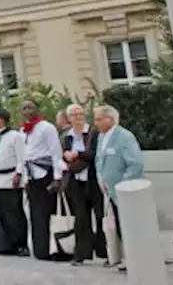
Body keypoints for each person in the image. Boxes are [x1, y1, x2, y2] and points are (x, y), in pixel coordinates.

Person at [94, 104, 144, 271]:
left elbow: (135, 163)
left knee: (130, 226)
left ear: (110, 119)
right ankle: (125, 256)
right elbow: (99, 160)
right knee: (118, 226)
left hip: (125, 190)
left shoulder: (124, 137)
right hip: (109, 190)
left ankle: (137, 258)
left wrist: (124, 184)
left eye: (99, 119)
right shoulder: (102, 137)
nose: (96, 123)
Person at [61, 103, 104, 266]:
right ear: (69, 118)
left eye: (80, 114)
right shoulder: (67, 136)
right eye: (74, 115)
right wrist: (66, 156)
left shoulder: (93, 133)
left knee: (100, 216)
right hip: (76, 181)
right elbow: (62, 155)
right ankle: (81, 254)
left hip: (93, 179)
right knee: (81, 218)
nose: (78, 117)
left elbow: (94, 154)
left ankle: (104, 251)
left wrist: (77, 155)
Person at [20, 100, 63, 261]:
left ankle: (53, 248)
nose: (27, 110)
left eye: (30, 107)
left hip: (46, 173)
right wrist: (25, 177)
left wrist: (57, 177)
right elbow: (24, 156)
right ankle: (40, 249)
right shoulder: (23, 130)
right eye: (24, 108)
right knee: (35, 214)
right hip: (32, 175)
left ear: (37, 109)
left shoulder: (47, 127)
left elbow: (55, 152)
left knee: (47, 212)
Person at [0, 107, 28, 257]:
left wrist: (19, 174)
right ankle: (4, 243)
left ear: (1, 120)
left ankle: (20, 243)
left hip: (9, 177)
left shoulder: (15, 136)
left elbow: (22, 157)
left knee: (13, 213)